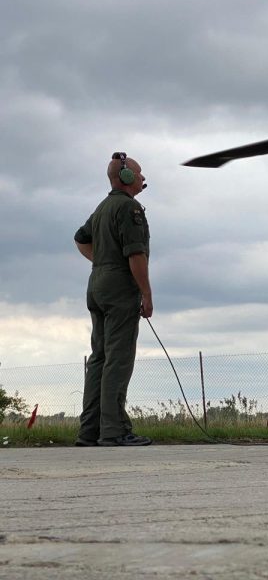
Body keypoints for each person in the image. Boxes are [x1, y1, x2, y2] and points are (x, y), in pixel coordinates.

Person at [74, 152, 153, 447]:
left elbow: (81, 239)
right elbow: (136, 254)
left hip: (96, 284)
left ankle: (89, 431)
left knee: (99, 358)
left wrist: (103, 261)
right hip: (119, 287)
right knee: (118, 359)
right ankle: (114, 430)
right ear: (128, 178)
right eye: (139, 174)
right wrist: (145, 292)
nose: (143, 178)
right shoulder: (129, 208)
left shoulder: (102, 208)